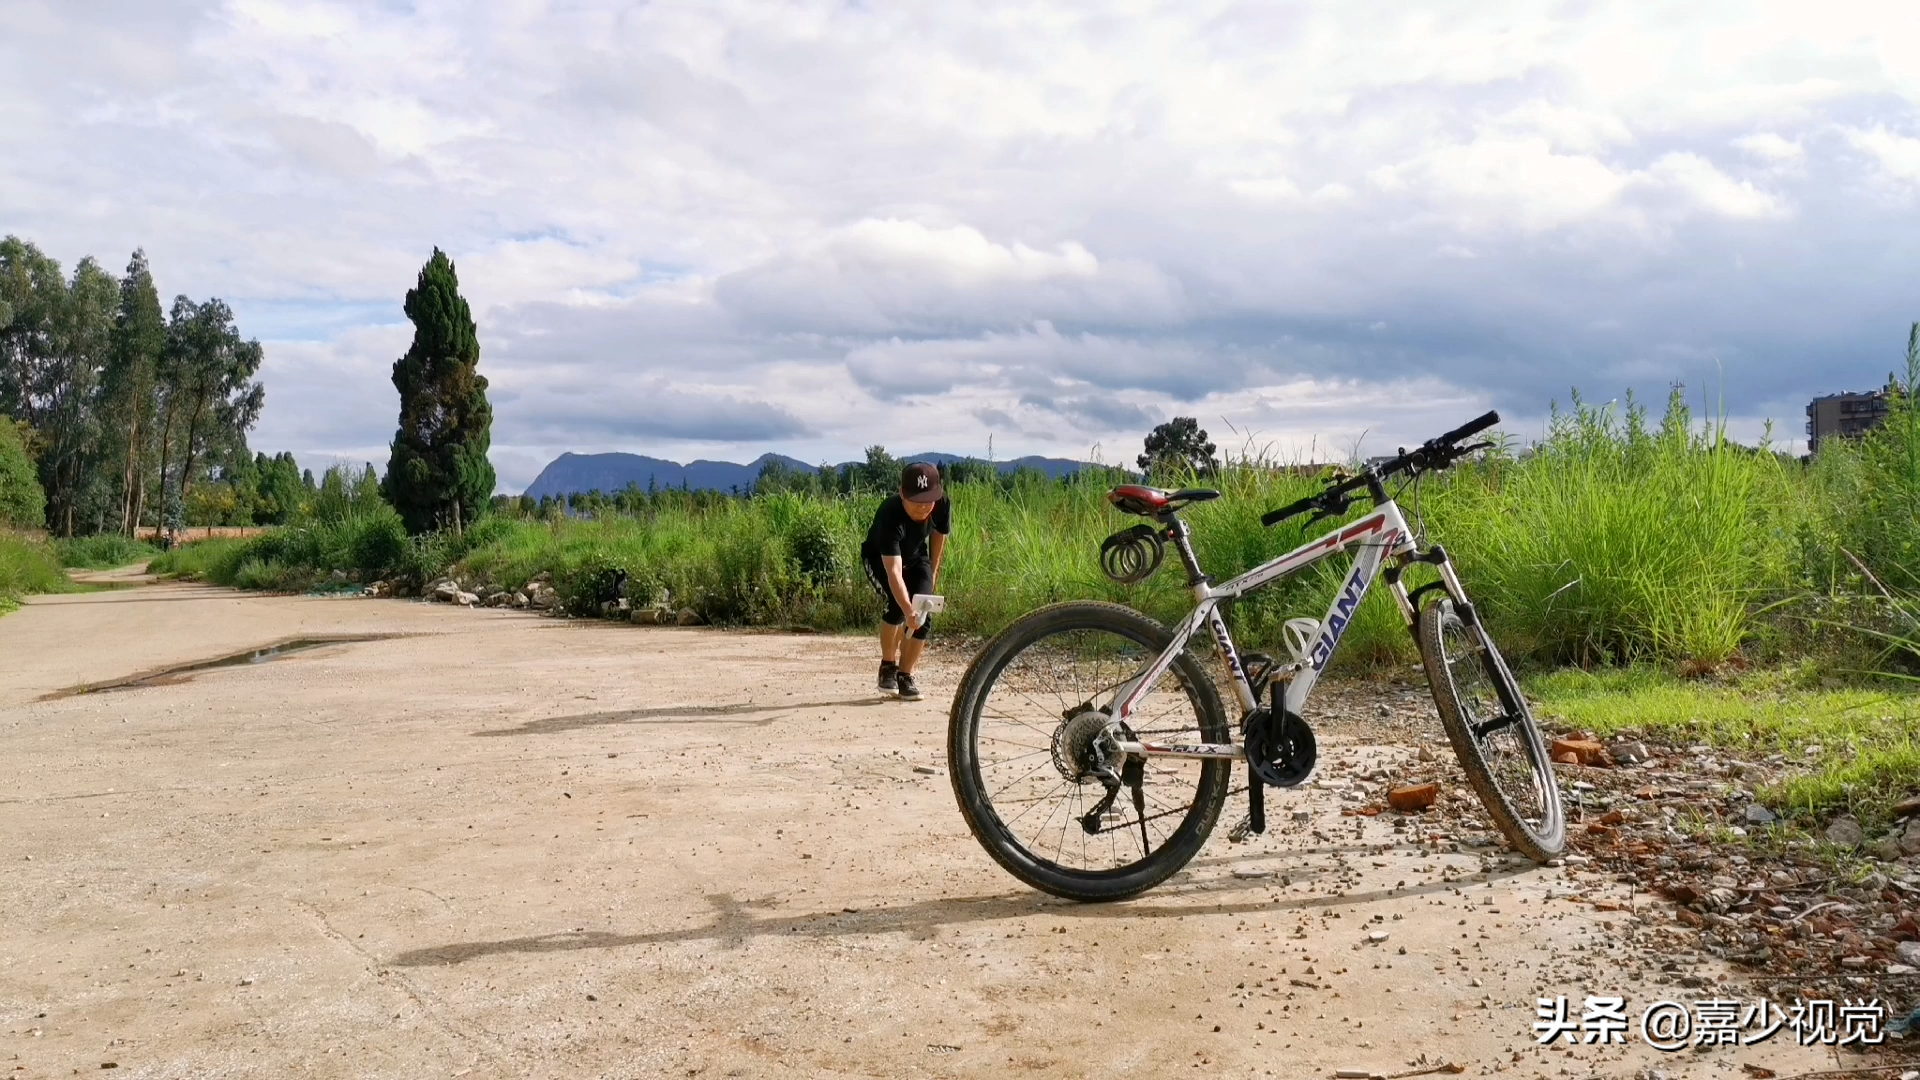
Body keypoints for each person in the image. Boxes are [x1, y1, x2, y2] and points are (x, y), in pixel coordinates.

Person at [860, 462, 950, 701]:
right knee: (898, 609)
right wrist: (907, 608)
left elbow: (939, 535)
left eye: (928, 501)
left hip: (917, 556)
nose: (923, 508)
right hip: (881, 558)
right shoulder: (889, 514)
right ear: (902, 494)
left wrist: (933, 572)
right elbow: (893, 572)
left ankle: (905, 675)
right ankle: (887, 666)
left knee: (924, 614)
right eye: (916, 502)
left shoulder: (941, 504)